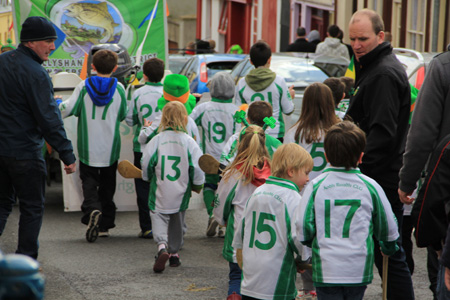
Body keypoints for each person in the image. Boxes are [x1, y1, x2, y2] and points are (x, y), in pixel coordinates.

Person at [346, 9, 414, 299]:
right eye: (352, 39)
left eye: (363, 38)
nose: (357, 45)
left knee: (389, 252)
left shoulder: (383, 73)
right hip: (380, 176)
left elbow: (382, 134)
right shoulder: (372, 66)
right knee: (386, 251)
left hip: (379, 178)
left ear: (381, 36)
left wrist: (358, 172)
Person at [0, 16, 76, 259]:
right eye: (48, 41)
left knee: (2, 205)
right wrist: (67, 154)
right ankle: (26, 261)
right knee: (32, 207)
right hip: (25, 152)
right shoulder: (37, 74)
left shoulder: (2, 63)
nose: (52, 46)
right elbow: (48, 118)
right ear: (31, 42)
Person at [297, 121, 399, 300]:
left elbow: (303, 228)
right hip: (357, 269)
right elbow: (389, 228)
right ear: (361, 157)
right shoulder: (371, 186)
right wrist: (388, 247)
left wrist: (309, 242)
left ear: (327, 156)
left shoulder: (315, 186)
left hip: (326, 268)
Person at [59, 49, 127, 243]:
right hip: (110, 148)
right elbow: (123, 114)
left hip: (88, 148)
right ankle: (104, 224)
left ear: (93, 67)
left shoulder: (83, 86)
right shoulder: (120, 88)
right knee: (107, 186)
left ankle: (92, 210)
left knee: (88, 183)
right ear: (115, 68)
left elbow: (68, 108)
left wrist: (54, 106)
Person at [398, 49, 450, 300]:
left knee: (442, 266)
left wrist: (407, 181)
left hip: (444, 183)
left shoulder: (442, 67)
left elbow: (422, 133)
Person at [232, 143, 313, 300]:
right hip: (276, 280)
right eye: (306, 172)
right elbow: (297, 238)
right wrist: (303, 259)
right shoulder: (293, 197)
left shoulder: (257, 192)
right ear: (291, 171)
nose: (308, 179)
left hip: (251, 278)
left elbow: (241, 232)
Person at [283, 82, 339, 298]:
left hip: (302, 193)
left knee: (306, 238)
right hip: (331, 191)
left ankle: (309, 288)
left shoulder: (294, 132)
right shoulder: (338, 129)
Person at [141, 101, 204, 273]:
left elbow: (146, 162)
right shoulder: (189, 142)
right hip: (181, 190)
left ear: (163, 119)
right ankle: (174, 253)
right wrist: (197, 184)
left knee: (158, 216)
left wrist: (146, 177)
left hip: (160, 189)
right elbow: (198, 166)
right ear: (185, 119)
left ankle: (162, 246)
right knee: (177, 220)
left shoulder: (156, 140)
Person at [214, 125, 272, 299]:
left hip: (239, 236)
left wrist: (220, 220)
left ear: (239, 144)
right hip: (267, 239)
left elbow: (221, 203)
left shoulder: (234, 174)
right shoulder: (274, 172)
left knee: (236, 277)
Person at [189, 72, 239, 237]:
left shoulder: (203, 108)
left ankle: (212, 213)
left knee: (210, 187)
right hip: (231, 160)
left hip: (210, 158)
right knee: (227, 190)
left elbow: (189, 122)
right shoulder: (237, 111)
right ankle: (224, 224)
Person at [125, 57, 165, 239]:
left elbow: (130, 119)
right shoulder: (168, 93)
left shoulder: (138, 93)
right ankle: (164, 225)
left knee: (143, 186)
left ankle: (147, 226)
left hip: (142, 146)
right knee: (163, 186)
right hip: (165, 147)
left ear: (145, 76)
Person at [235, 40, 294, 141]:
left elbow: (240, 114)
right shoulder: (279, 81)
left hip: (251, 135)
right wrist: (290, 96)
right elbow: (288, 110)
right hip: (275, 134)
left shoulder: (242, 83)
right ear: (269, 60)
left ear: (251, 61)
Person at [284, 82, 340, 180]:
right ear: (330, 102)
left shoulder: (294, 132)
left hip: (303, 190)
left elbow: (286, 165)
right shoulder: (340, 129)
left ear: (305, 102)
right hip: (333, 188)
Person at [138, 74, 199, 144]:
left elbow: (143, 138)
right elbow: (198, 147)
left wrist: (145, 127)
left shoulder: (161, 121)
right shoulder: (191, 122)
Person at [220, 101, 282, 166]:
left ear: (247, 120)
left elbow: (223, 165)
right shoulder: (276, 144)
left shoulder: (236, 138)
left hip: (237, 175)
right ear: (269, 122)